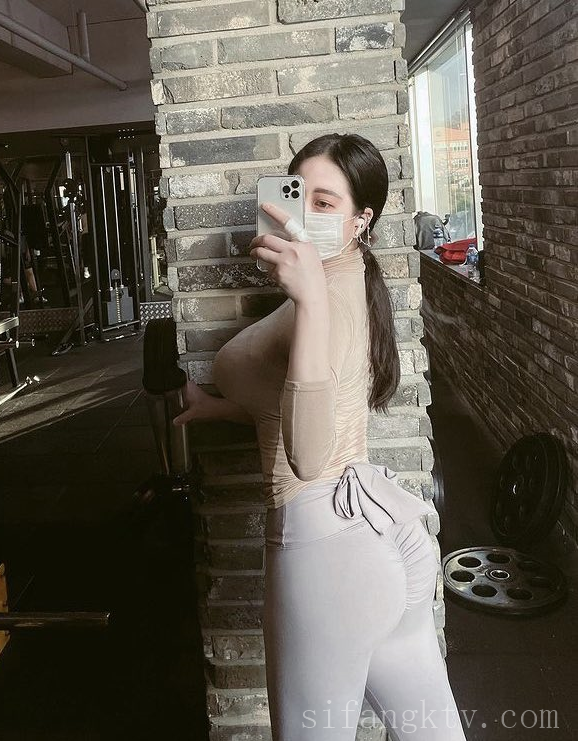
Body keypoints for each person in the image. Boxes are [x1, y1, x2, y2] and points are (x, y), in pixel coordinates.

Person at [174, 133, 468, 740]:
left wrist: (308, 300)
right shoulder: (347, 274)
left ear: (362, 221)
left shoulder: (324, 294)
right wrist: (216, 408)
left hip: (327, 552)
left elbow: (308, 456)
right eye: (297, 194)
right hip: (379, 535)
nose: (305, 213)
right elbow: (304, 406)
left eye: (325, 202)